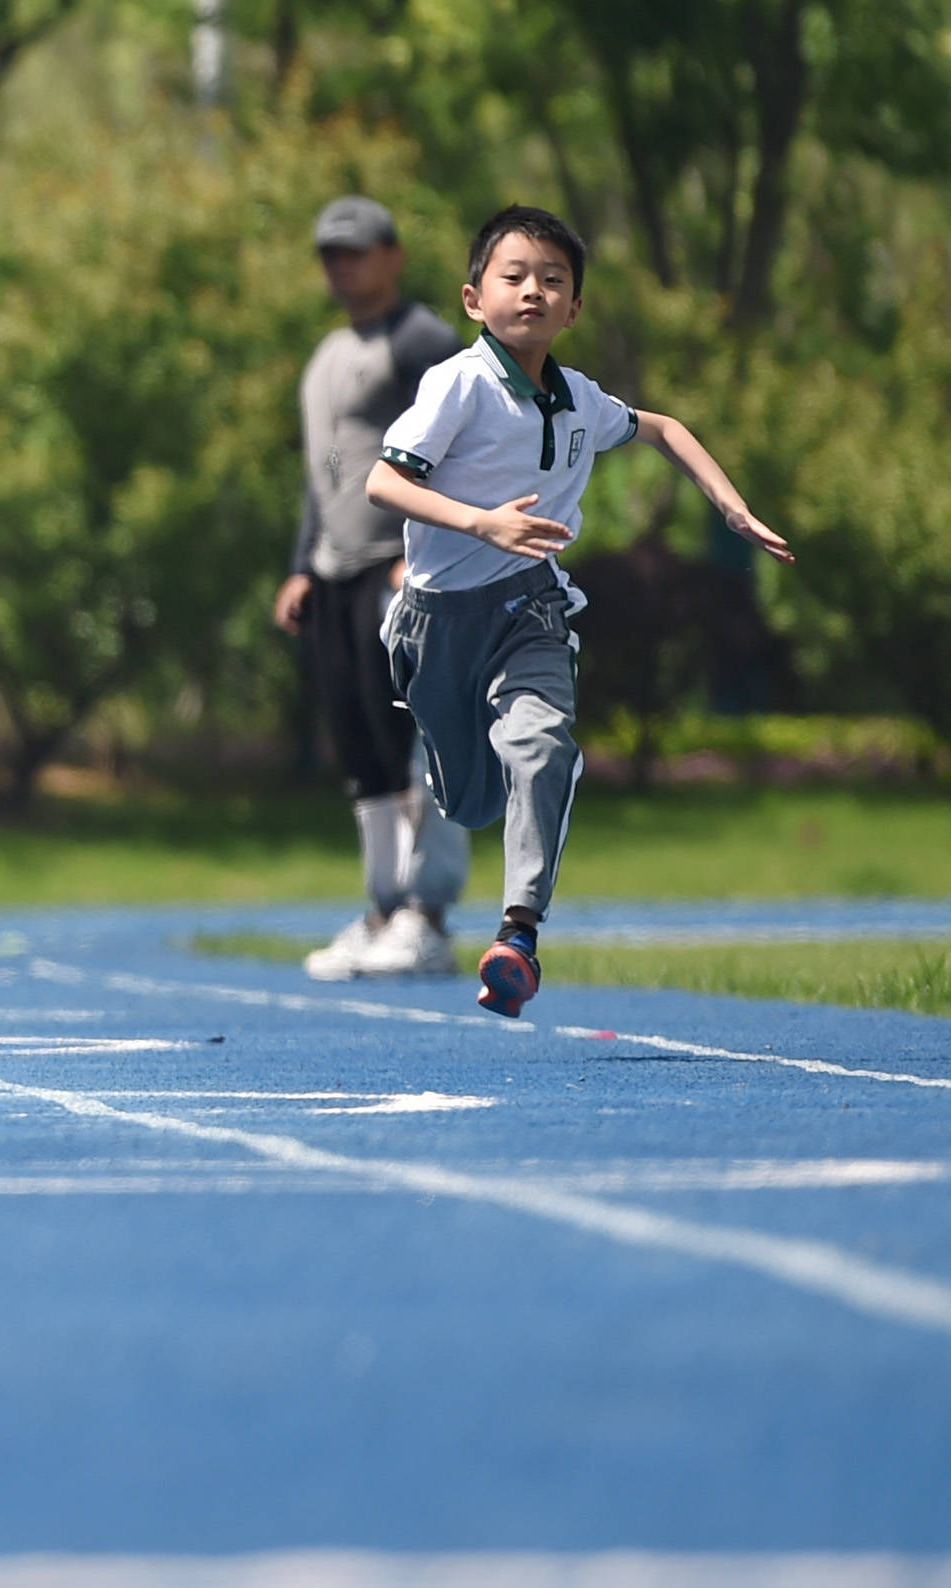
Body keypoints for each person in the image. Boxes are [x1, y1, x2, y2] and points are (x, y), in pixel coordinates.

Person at [363, 205, 793, 1016]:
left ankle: (517, 934)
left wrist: (731, 505)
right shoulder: (457, 383)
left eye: (553, 280)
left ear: (574, 307)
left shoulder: (581, 400)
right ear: (472, 297)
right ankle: (462, 783)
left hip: (530, 604)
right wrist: (481, 521)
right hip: (436, 620)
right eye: (514, 276)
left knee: (542, 744)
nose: (533, 290)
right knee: (470, 801)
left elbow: (662, 426)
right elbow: (383, 482)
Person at [273, 195, 469, 980]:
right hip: (336, 574)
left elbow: (463, 446)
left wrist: (424, 550)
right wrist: (300, 562)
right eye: (330, 254)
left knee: (418, 740)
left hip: (401, 569)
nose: (342, 266)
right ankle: (384, 906)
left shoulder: (421, 341)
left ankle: (429, 913)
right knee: (362, 749)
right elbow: (326, 473)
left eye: (357, 251)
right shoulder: (327, 353)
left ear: (393, 254)